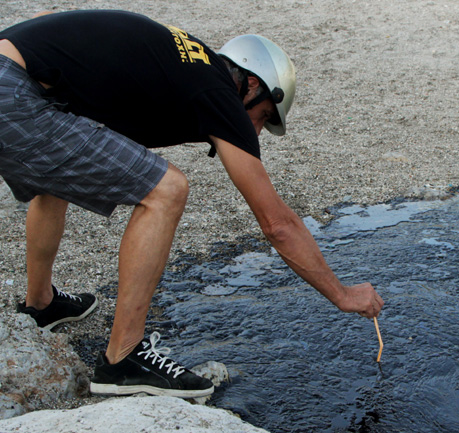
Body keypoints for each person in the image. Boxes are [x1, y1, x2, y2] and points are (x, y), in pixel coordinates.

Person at [0, 10, 384, 398]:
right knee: (166, 189)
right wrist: (343, 294)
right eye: (263, 115)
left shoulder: (189, 64)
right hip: (10, 93)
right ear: (251, 84)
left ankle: (42, 304)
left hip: (14, 80)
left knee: (57, 176)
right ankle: (123, 359)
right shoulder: (218, 91)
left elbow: (48, 21)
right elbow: (277, 224)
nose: (254, 131)